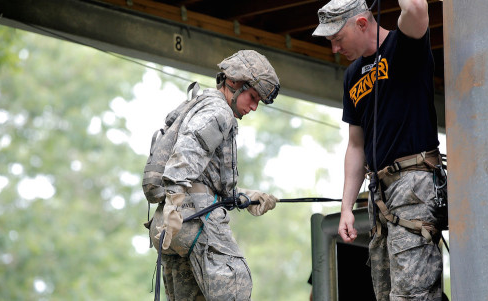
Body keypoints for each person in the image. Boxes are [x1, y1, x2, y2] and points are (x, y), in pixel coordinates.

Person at [312, 0, 447, 300]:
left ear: (361, 23)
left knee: (413, 295)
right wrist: (347, 207)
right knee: (386, 295)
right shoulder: (352, 76)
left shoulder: (405, 44)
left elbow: (415, 7)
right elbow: (356, 145)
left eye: (337, 39)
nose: (335, 49)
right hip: (379, 195)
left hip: (413, 184)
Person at [148, 50, 281, 301]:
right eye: (252, 97)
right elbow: (187, 153)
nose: (254, 107)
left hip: (170, 226)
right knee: (235, 289)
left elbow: (205, 177)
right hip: (192, 219)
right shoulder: (219, 111)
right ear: (234, 83)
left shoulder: (199, 104)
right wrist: (175, 204)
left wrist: (247, 197)